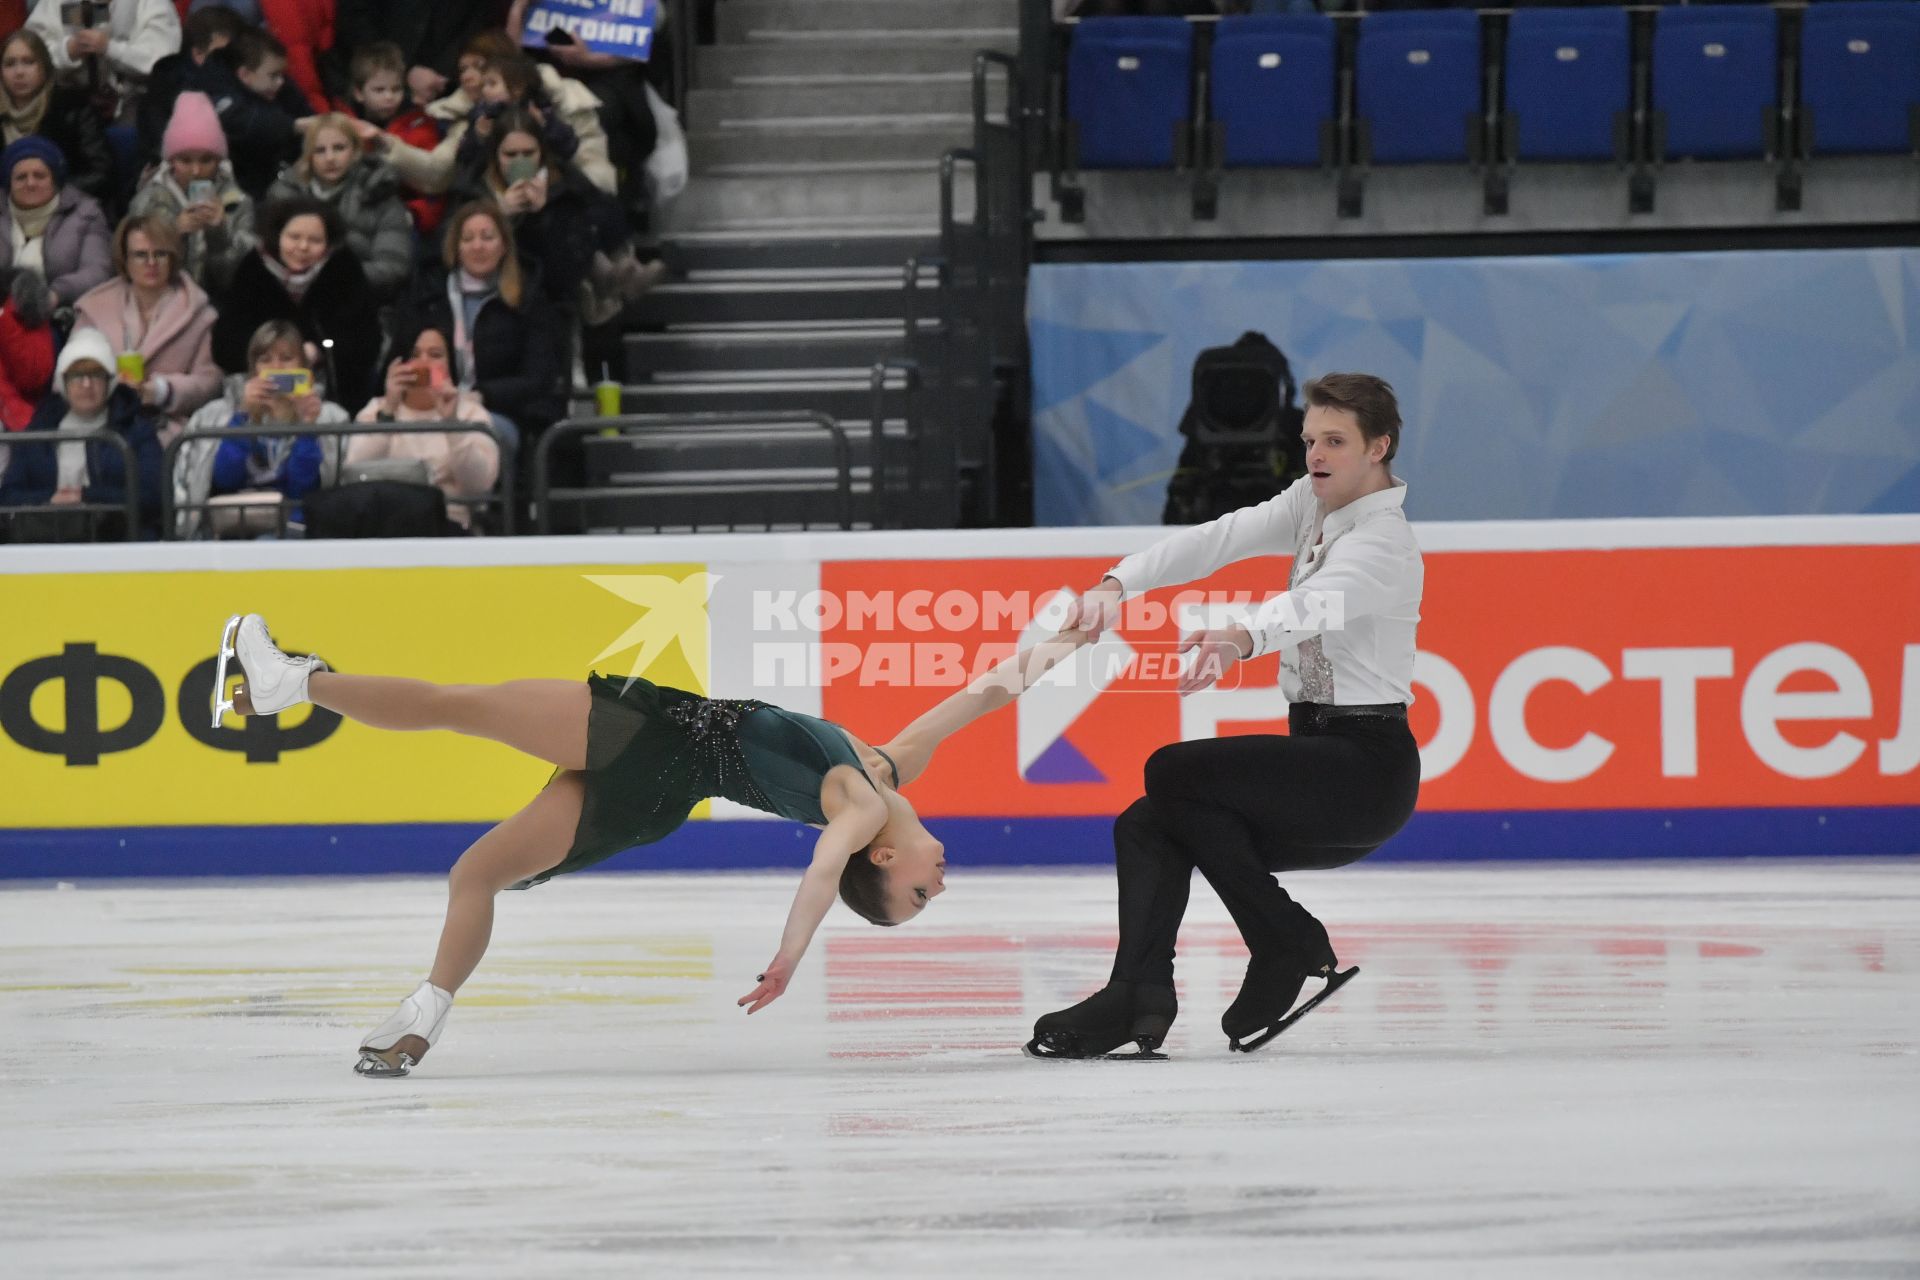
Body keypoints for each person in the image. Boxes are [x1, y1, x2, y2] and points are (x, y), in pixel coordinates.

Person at [212, 605, 1098, 1077]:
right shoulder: (883, 772)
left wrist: (791, 955)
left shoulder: (856, 811)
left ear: (884, 858)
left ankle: (298, 681)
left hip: (657, 739)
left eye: (917, 897)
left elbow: (823, 869)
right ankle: (420, 1020)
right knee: (474, 873)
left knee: (463, 707)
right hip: (657, 795)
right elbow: (984, 695)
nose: (939, 884)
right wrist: (1064, 640)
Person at [1028, 372, 1425, 1060]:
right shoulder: (1312, 503)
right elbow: (1218, 538)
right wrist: (1116, 583)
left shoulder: (1384, 543)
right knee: (1149, 823)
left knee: (1172, 770)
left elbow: (1316, 604)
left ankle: (1285, 939)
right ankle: (1138, 994)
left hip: (1364, 774)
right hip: (1318, 762)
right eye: (1309, 441)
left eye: (1335, 441)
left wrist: (1237, 638)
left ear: (1378, 447)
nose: (1316, 456)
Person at [389, 200, 562, 466]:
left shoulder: (528, 299)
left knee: (482, 436)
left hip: (500, 410)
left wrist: (482, 395)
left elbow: (538, 377)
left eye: (487, 237)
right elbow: (402, 356)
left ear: (504, 245)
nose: (477, 246)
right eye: (467, 238)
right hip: (428, 406)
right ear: (455, 248)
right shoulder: (427, 297)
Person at [211, 193, 378, 410]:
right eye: (294, 237)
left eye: (315, 240)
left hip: (331, 396)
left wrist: (320, 350)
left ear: (328, 243)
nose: (303, 247)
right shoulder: (253, 269)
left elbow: (365, 339)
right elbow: (225, 344)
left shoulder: (344, 269)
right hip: (261, 393)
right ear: (277, 236)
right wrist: (269, 354)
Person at [71, 213, 223, 443]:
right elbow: (69, 372)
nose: (151, 263)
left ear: (172, 258)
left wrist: (161, 391)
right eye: (141, 255)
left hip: (169, 429)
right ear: (125, 259)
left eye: (160, 254)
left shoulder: (200, 314)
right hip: (100, 424)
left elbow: (209, 381)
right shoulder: (95, 307)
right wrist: (106, 387)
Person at [0, 326, 161, 539]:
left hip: (120, 544)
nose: (86, 384)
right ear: (62, 381)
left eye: (95, 374)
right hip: (45, 543)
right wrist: (51, 498)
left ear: (110, 381)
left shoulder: (137, 431)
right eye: (77, 375)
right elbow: (9, 496)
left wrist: (85, 497)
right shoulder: (38, 431)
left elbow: (153, 496)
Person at [350, 325, 499, 528]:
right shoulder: (377, 409)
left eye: (435, 355)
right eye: (415, 354)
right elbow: (353, 472)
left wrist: (451, 423)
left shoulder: (471, 413)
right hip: (383, 524)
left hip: (447, 524)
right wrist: (389, 411)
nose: (424, 363)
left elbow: (478, 487)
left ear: (449, 365)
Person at [264, 111, 410, 299]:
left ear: (356, 151)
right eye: (320, 150)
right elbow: (264, 255)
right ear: (308, 156)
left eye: (339, 148)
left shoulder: (380, 194)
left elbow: (393, 267)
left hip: (361, 303)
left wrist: (333, 277)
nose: (330, 158)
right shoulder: (284, 195)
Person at [128, 89, 258, 293]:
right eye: (185, 160)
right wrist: (171, 234)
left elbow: (242, 280)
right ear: (171, 161)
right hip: (163, 302)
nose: (196, 171)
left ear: (219, 161)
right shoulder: (147, 201)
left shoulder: (239, 202)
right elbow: (132, 269)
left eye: (206, 160)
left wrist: (219, 236)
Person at [341, 39, 441, 237]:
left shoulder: (421, 124)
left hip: (405, 219)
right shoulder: (345, 126)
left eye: (396, 89)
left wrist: (414, 215)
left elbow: (434, 185)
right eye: (379, 90)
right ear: (359, 93)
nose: (389, 97)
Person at [194, 26, 308, 199]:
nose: (280, 82)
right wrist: (296, 126)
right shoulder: (215, 92)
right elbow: (247, 123)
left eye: (282, 74)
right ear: (245, 74)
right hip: (241, 190)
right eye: (273, 75)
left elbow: (304, 112)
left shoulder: (281, 89)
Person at [0, 29, 111, 202]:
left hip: (67, 208)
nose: (19, 72)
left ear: (44, 67)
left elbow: (99, 172)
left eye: (28, 62)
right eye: (10, 64)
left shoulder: (74, 107)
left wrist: (50, 193)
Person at [0, 135, 111, 307]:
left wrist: (55, 294)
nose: (30, 183)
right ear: (9, 184)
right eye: (21, 177)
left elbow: (97, 271)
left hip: (62, 311)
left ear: (55, 180)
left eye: (39, 176)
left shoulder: (86, 213)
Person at [26, 0, 181, 116]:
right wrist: (67, 51)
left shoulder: (151, 3)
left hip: (135, 104)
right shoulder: (56, 3)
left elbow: (163, 63)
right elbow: (29, 55)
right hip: (69, 104)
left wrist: (110, 49)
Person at [135, 4, 246, 164]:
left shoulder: (245, 80)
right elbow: (164, 152)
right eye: (222, 55)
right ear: (198, 53)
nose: (231, 62)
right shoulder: (164, 90)